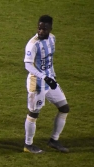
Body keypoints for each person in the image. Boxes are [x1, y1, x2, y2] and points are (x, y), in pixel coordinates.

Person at [23, 15, 70, 153]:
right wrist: (44, 76)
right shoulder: (33, 44)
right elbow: (28, 65)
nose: (41, 31)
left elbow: (49, 60)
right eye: (39, 28)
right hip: (37, 83)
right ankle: (28, 144)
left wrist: (52, 76)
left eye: (44, 29)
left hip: (50, 80)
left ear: (50, 28)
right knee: (34, 113)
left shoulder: (52, 39)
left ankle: (53, 140)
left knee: (64, 108)